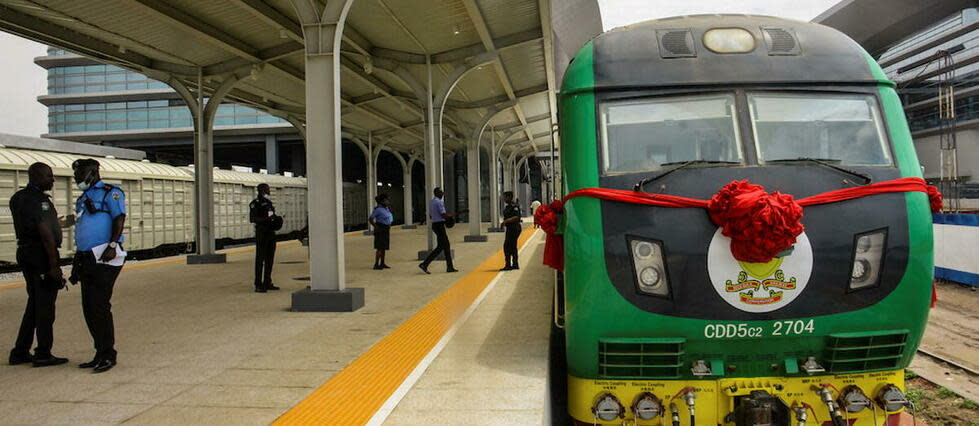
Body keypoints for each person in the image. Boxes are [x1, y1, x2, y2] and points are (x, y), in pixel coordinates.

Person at [8, 162, 69, 367]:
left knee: (34, 304)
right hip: (40, 255)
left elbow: (34, 224)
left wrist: (61, 224)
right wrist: (54, 266)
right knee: (45, 307)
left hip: (25, 252)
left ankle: (20, 351)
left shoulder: (18, 198)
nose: (52, 180)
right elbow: (44, 234)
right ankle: (43, 352)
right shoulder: (38, 200)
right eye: (48, 176)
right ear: (35, 176)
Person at [70, 158, 126, 373]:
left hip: (105, 255)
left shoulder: (110, 193)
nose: (77, 177)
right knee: (89, 307)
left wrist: (112, 244)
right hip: (86, 256)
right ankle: (99, 352)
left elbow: (119, 218)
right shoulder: (83, 198)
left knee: (99, 305)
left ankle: (108, 354)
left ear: (93, 172)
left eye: (80, 173)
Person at [418, 187, 457, 274]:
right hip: (439, 226)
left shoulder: (431, 202)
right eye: (441, 192)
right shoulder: (439, 202)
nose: (442, 194)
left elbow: (431, 216)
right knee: (444, 245)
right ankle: (424, 264)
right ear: (437, 193)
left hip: (435, 225)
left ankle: (449, 267)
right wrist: (450, 216)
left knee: (443, 246)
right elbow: (443, 215)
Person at [250, 183, 280, 293]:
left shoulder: (268, 203)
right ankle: (258, 284)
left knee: (270, 259)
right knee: (260, 259)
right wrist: (265, 220)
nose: (269, 189)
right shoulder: (255, 204)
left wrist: (275, 219)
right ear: (262, 190)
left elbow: (271, 215)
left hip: (271, 233)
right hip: (262, 233)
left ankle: (267, 282)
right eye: (267, 188)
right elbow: (253, 219)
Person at [368, 193, 393, 270]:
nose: (388, 201)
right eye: (387, 200)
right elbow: (371, 218)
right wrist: (376, 227)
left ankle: (382, 263)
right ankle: (376, 264)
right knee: (379, 247)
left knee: (384, 247)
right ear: (382, 201)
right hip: (380, 228)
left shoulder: (386, 208)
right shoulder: (378, 210)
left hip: (386, 228)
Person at [500, 191, 523, 271]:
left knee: (507, 246)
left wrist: (506, 221)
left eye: (505, 197)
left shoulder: (514, 206)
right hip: (510, 229)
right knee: (512, 246)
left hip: (515, 228)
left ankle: (509, 265)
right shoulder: (507, 207)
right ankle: (514, 264)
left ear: (509, 197)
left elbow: (517, 217)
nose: (504, 198)